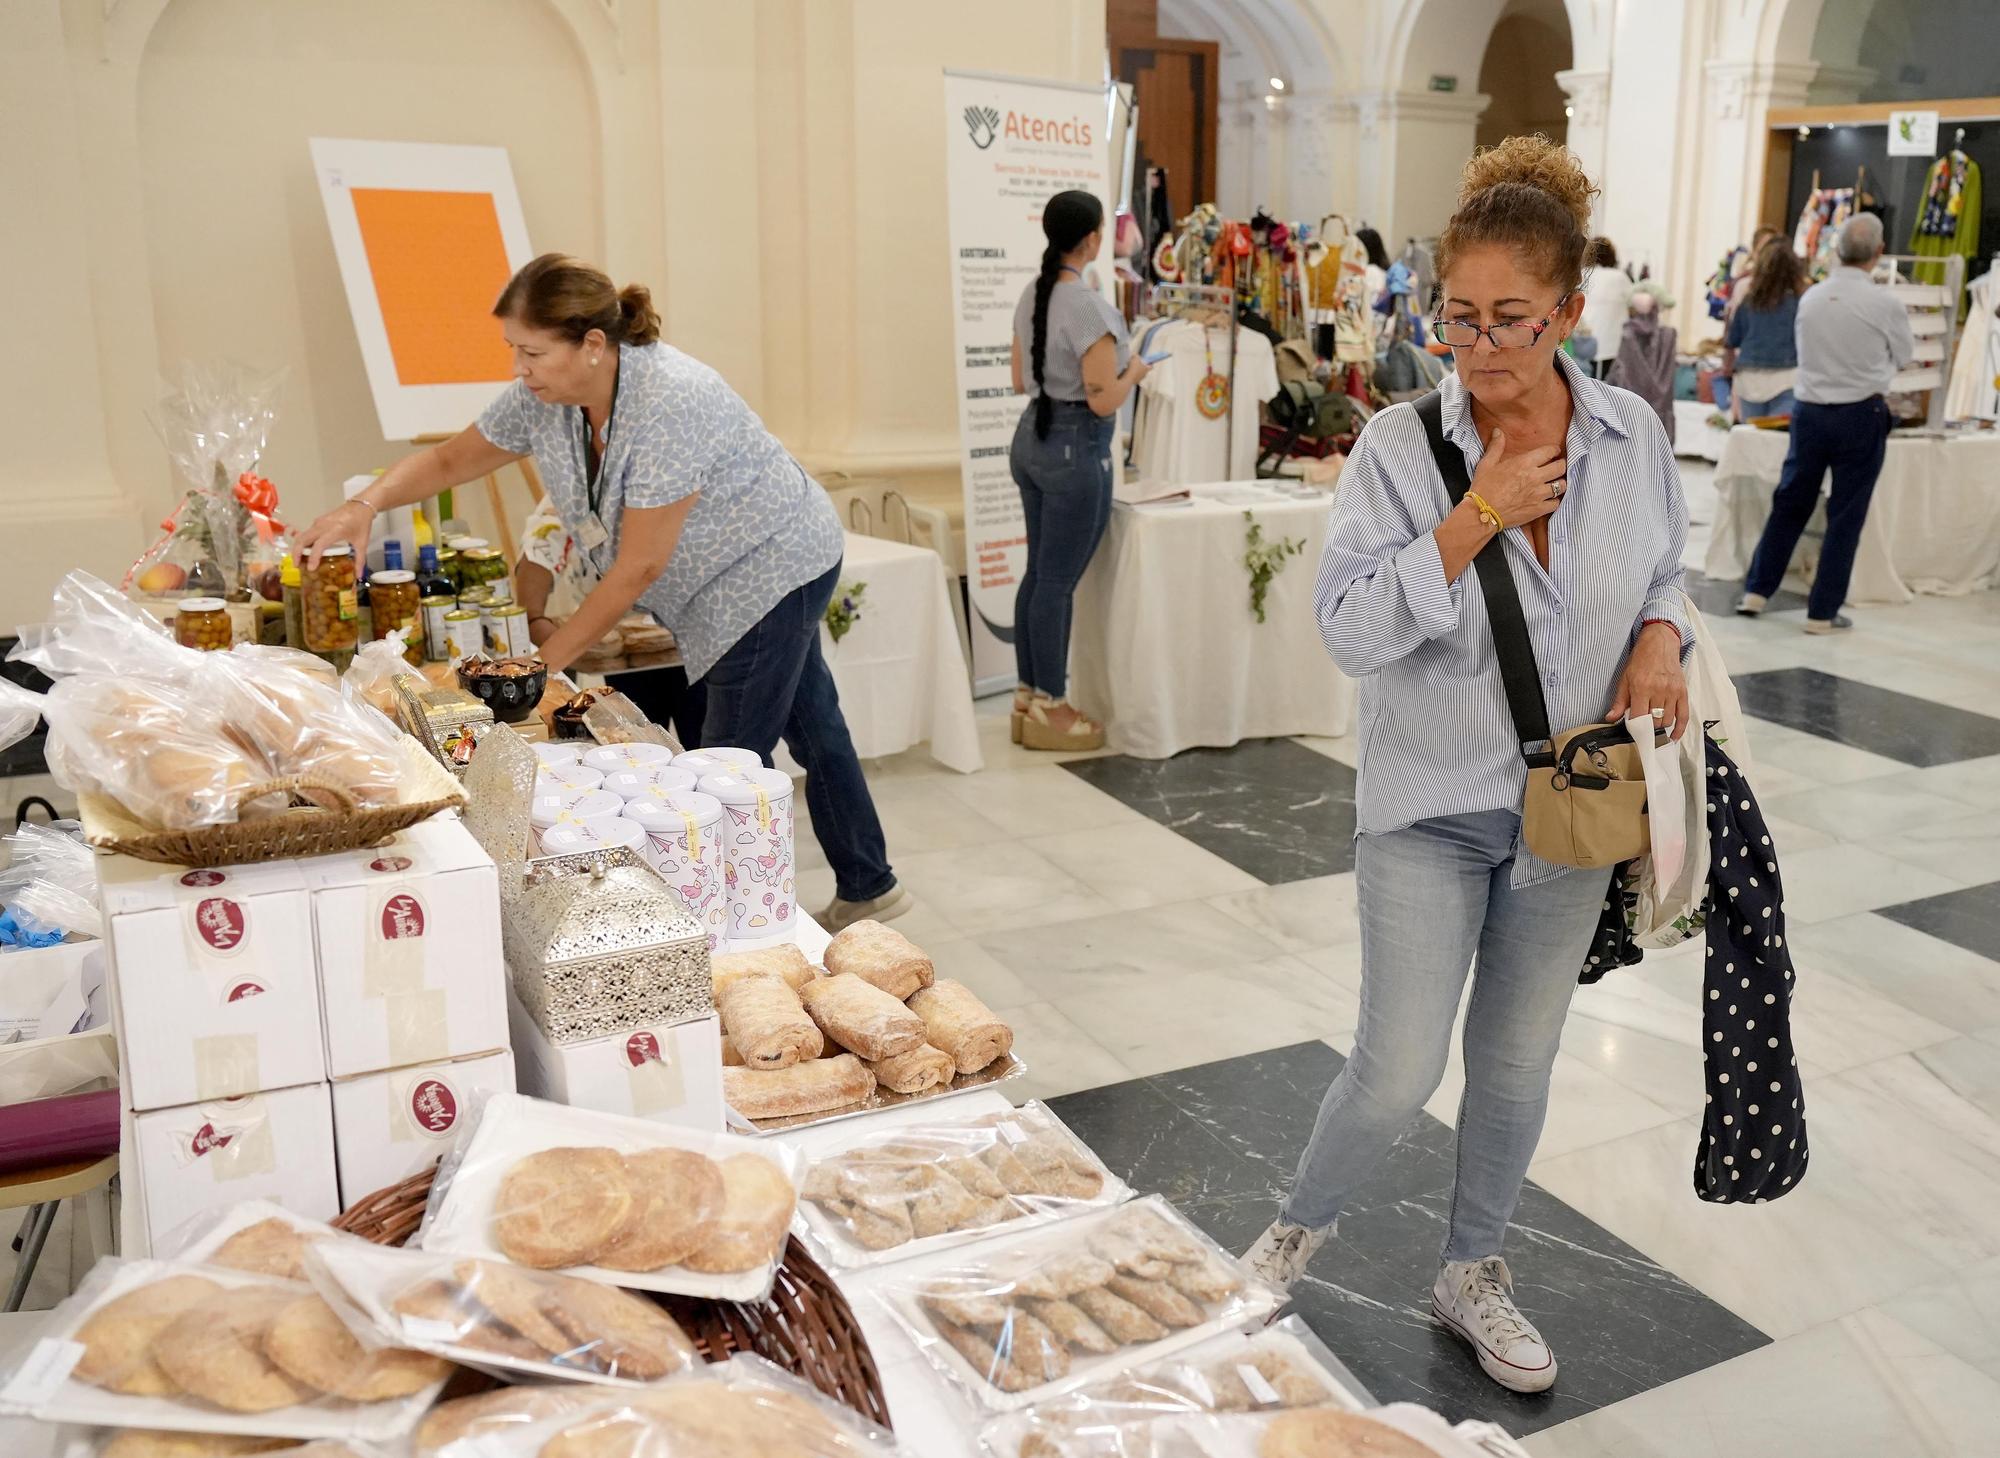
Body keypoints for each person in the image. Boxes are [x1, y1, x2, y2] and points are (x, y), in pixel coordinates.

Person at [1242, 136, 1691, 1396]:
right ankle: (1292, 1234)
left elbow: (1665, 569)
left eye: (1509, 319)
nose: (1479, 346)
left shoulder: (1629, 437)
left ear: (1562, 313)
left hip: (1570, 806)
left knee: (1513, 1062)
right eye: (1457, 320)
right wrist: (1474, 513)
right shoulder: (1398, 447)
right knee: (1395, 1065)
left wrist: (1659, 636)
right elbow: (1345, 630)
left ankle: (1470, 1271)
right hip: (1428, 810)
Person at [295, 253, 910, 929]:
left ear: (593, 345)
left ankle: (727, 937)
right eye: (513, 351)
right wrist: (366, 504)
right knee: (813, 720)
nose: (518, 370)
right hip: (717, 575)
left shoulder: (672, 399)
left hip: (765, 569)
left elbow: (637, 568)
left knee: (716, 774)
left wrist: (542, 666)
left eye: (532, 352)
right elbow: (449, 460)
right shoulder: (544, 399)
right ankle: (868, 881)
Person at [1007, 191, 1150, 751]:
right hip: (1074, 448)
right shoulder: (1089, 306)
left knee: (1038, 573)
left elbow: (1021, 377)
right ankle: (1052, 703)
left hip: (1031, 440)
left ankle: (1026, 695)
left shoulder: (1032, 293)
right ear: (1092, 239)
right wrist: (1136, 368)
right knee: (1057, 582)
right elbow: (1101, 399)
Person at [1739, 213, 1914, 633]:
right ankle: (1821, 612)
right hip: (1860, 412)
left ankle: (1756, 590)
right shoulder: (1885, 303)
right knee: (1846, 513)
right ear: (1878, 252)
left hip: (1810, 412)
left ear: (1837, 250)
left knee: (1790, 501)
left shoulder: (1813, 298)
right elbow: (1905, 356)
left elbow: (1805, 350)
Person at [1724, 239, 1807, 420]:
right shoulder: (1800, 304)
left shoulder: (1749, 302)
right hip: (1787, 378)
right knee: (1777, 441)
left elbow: (1732, 341)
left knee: (1752, 439)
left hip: (1749, 378)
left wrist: (1727, 370)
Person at [1578, 236, 1632, 379]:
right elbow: (1633, 305)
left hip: (1582, 341)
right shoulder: (1620, 278)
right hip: (1611, 344)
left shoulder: (1581, 275)